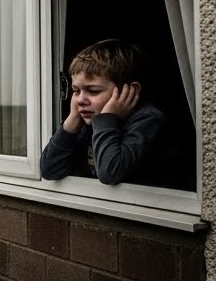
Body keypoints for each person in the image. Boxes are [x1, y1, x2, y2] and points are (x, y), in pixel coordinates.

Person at [41, 39, 165, 185]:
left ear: (130, 91)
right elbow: (50, 170)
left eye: (93, 91)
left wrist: (107, 119)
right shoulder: (89, 121)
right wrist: (72, 122)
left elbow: (110, 174)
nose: (81, 100)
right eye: (76, 91)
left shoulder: (147, 119)